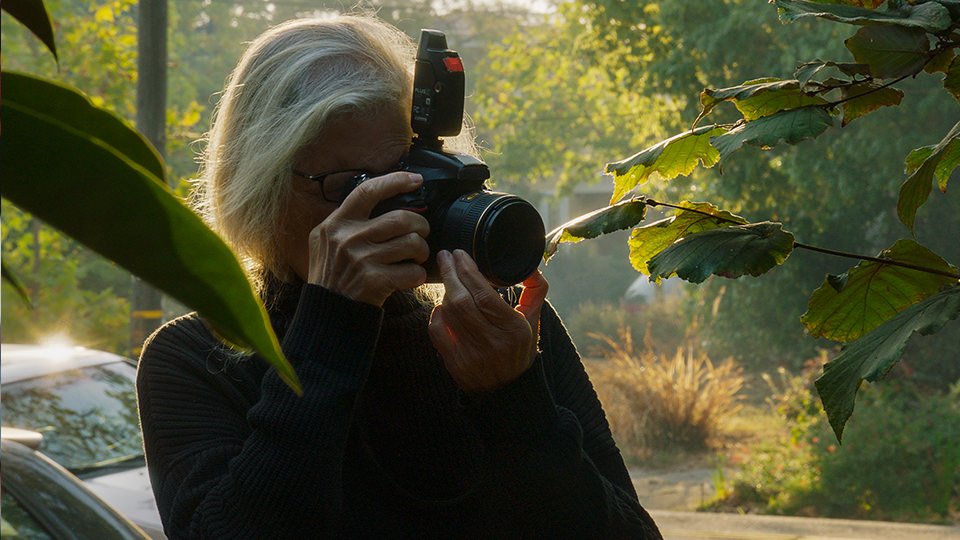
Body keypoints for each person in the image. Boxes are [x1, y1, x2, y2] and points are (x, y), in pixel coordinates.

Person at [136, 14, 662, 539]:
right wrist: (332, 323)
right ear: (260, 190)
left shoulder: (495, 327)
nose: (390, 208)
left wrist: (514, 398)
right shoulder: (196, 359)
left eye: (403, 173)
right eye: (350, 185)